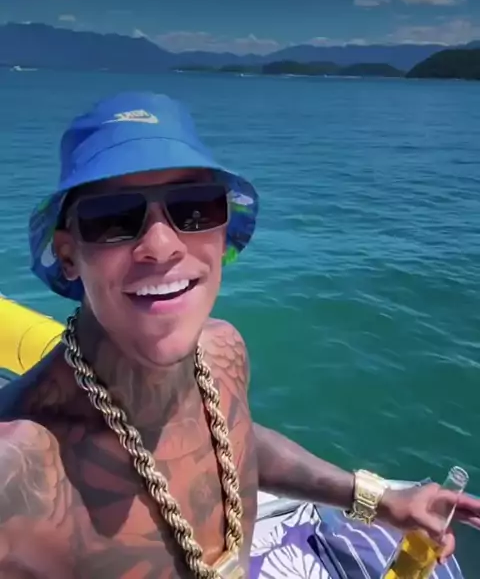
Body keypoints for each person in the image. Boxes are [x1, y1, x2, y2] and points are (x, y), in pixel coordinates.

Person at [0, 91, 478, 579]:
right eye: (113, 219)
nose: (161, 246)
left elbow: (232, 440)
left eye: (193, 209)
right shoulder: (15, 470)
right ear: (68, 255)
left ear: (223, 232)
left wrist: (378, 500)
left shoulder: (221, 350)